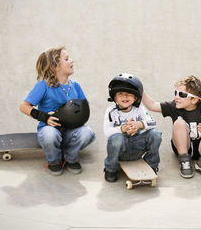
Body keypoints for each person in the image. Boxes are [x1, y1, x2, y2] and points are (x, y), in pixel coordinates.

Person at [19, 46, 95, 176]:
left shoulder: (75, 85)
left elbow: (84, 105)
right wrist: (44, 117)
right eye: (66, 59)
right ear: (54, 66)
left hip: (70, 130)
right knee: (49, 135)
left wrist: (76, 115)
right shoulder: (43, 85)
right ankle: (54, 161)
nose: (71, 61)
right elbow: (24, 106)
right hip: (50, 129)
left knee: (88, 133)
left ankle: (70, 158)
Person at [142, 75, 201, 179]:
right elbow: (152, 105)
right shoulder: (174, 106)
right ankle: (184, 161)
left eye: (182, 94)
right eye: (176, 93)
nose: (176, 97)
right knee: (179, 122)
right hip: (183, 147)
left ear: (194, 100)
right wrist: (140, 90)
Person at [103, 73, 162, 182]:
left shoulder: (139, 108)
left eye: (129, 94)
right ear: (114, 97)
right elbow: (107, 132)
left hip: (137, 147)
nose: (125, 96)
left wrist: (139, 124)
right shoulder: (111, 111)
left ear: (135, 97)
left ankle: (152, 164)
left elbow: (153, 123)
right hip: (121, 150)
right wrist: (122, 129)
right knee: (116, 138)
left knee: (156, 133)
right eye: (120, 93)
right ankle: (110, 169)